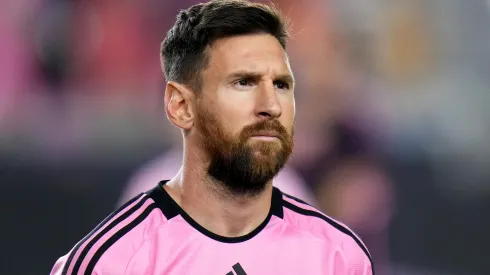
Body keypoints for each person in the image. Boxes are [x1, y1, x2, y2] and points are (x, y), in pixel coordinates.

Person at [50, 1, 373, 274]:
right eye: (242, 83)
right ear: (180, 106)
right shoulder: (113, 258)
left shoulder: (337, 255)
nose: (269, 107)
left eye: (281, 85)